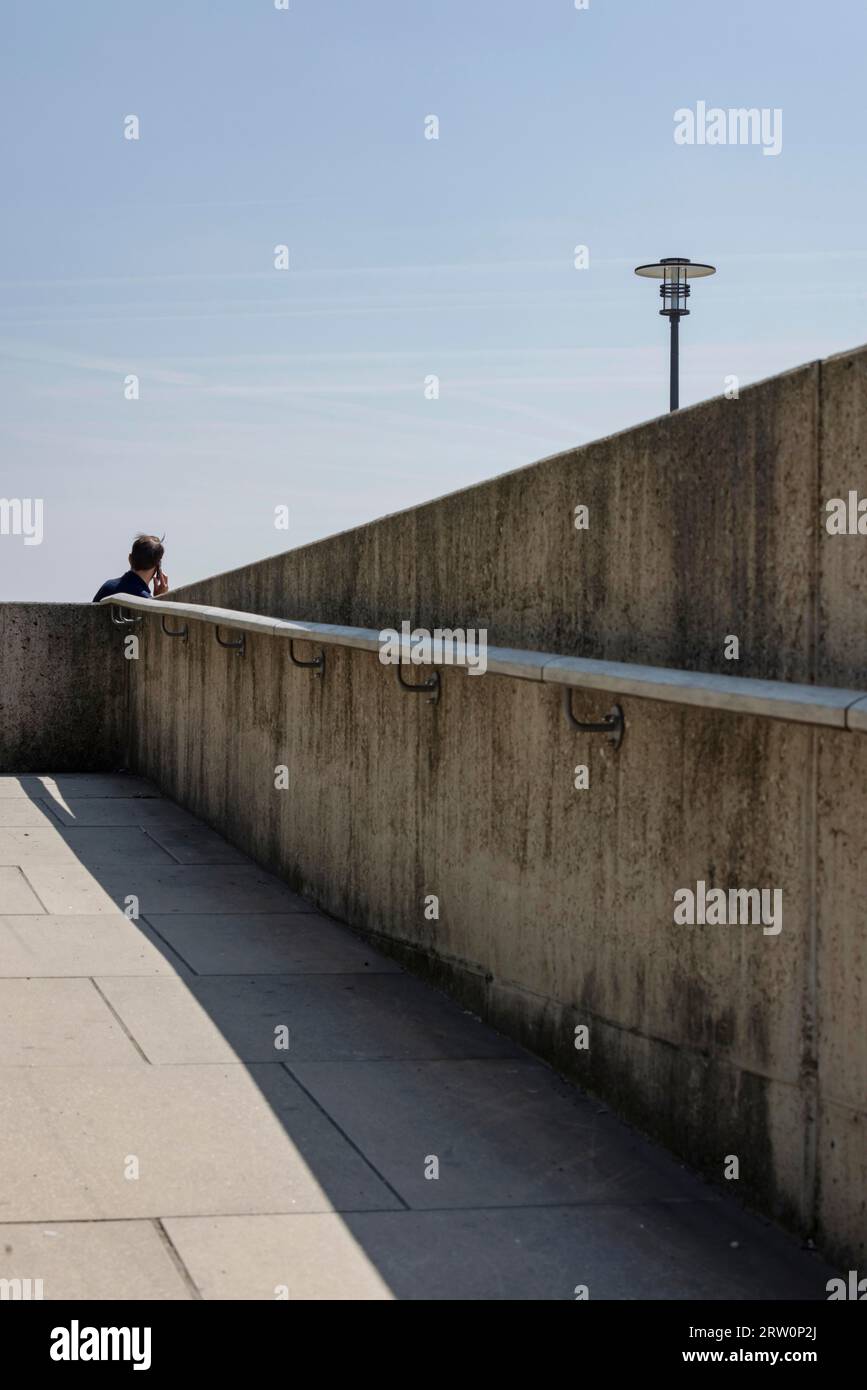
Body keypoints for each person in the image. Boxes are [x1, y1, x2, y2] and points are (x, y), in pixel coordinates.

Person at [92, 534, 169, 603]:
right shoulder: (146, 601)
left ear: (130, 558)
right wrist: (159, 600)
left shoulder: (107, 587)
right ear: (157, 567)